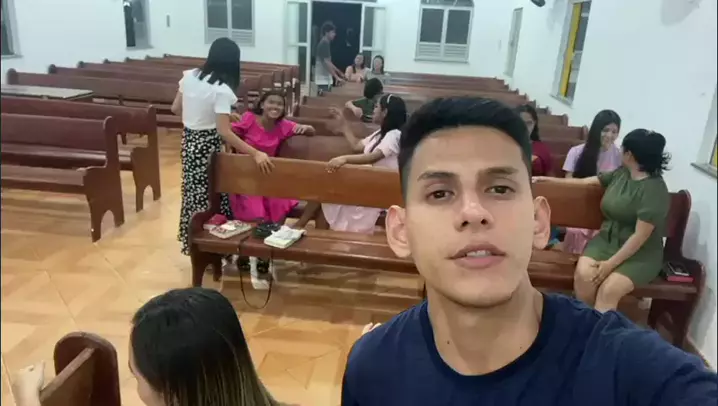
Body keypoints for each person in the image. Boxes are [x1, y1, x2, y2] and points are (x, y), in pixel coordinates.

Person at [340, 97, 717, 405]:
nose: (474, 212)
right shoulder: (372, 369)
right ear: (400, 231)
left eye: (500, 189)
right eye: (440, 193)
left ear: (539, 221)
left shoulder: (624, 367)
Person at [535, 129, 672, 312]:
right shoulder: (622, 173)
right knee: (584, 276)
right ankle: (587, 322)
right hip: (606, 241)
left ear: (629, 154)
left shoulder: (654, 191)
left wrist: (610, 265)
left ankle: (600, 328)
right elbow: (588, 182)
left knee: (609, 290)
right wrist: (547, 180)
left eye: (623, 148)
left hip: (640, 254)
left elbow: (639, 237)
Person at [172, 37, 274, 256]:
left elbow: (175, 108)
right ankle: (213, 247)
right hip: (208, 147)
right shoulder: (221, 90)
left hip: (189, 142)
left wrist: (210, 116)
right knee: (212, 195)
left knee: (193, 193)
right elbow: (224, 132)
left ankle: (193, 243)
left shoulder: (189, 76)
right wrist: (255, 153)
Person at [228, 90, 314, 284]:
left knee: (279, 204)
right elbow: (230, 133)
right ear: (262, 104)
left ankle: (264, 253)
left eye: (279, 104)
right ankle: (245, 251)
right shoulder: (249, 119)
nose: (275, 107)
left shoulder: (283, 126)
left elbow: (311, 131)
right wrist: (231, 120)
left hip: (268, 178)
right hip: (245, 179)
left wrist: (305, 127)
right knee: (256, 211)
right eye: (271, 102)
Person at [296, 94, 406, 234]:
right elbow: (356, 145)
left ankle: (302, 224)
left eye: (377, 107)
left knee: (327, 189)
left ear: (385, 112)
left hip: (379, 190)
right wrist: (343, 123)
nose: (374, 110)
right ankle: (316, 233)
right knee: (326, 190)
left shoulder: (395, 135)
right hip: (368, 183)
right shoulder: (379, 134)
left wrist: (344, 159)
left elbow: (372, 157)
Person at [561, 109, 622, 254]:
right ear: (596, 130)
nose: (609, 135)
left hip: (606, 210)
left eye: (614, 132)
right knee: (576, 232)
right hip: (580, 204)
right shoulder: (576, 152)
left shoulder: (620, 156)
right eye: (605, 130)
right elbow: (567, 184)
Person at [516, 104, 552, 176]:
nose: (525, 128)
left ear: (534, 124)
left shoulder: (541, 148)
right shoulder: (506, 143)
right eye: (521, 122)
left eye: (529, 123)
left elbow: (549, 175)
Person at [315, 22, 345, 93]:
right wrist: (336, 77)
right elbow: (327, 63)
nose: (334, 34)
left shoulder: (326, 42)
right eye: (332, 32)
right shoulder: (324, 43)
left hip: (326, 77)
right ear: (326, 33)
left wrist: (339, 72)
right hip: (322, 78)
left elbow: (329, 62)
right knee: (324, 97)